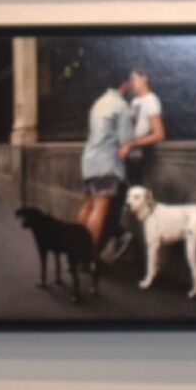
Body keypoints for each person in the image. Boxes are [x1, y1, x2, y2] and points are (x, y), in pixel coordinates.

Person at [78, 74, 137, 257]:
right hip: (107, 163)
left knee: (87, 206)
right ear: (125, 83)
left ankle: (75, 252)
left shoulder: (98, 103)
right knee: (99, 209)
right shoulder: (121, 106)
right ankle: (88, 256)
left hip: (89, 162)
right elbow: (126, 141)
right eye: (131, 81)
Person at [120, 68, 166, 188]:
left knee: (136, 191)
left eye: (133, 79)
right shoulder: (135, 101)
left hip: (140, 157)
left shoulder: (151, 100)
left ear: (144, 78)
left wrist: (131, 144)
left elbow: (159, 134)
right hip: (128, 155)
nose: (131, 83)